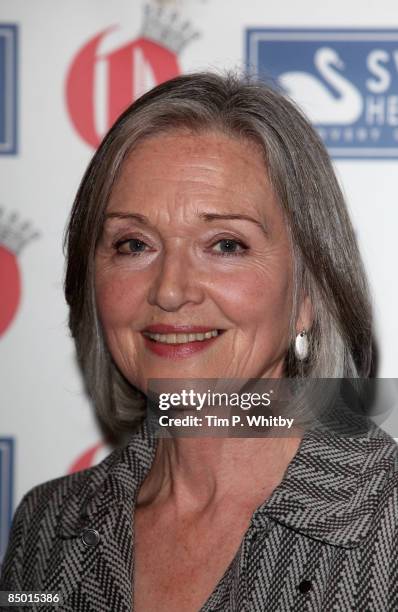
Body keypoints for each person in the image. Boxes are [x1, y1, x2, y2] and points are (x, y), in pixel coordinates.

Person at [1, 72, 398, 611]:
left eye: (226, 244)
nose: (169, 291)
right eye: (134, 244)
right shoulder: (47, 529)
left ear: (308, 292)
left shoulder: (387, 528)